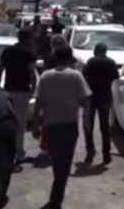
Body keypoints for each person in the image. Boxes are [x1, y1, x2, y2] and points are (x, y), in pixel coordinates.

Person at [32, 46, 91, 209]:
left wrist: (36, 125)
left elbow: (39, 103)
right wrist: (86, 122)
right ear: (69, 58)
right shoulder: (75, 76)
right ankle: (55, 201)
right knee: (63, 165)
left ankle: (55, 199)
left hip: (50, 126)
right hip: (69, 126)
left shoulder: (45, 76)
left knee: (59, 163)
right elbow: (86, 101)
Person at [0, 28, 37, 166]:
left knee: (9, 123)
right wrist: (33, 89)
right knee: (20, 124)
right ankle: (19, 153)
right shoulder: (29, 53)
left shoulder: (7, 51)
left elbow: (0, 70)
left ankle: (8, 152)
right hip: (22, 91)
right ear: (28, 38)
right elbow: (32, 73)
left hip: (8, 90)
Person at [82, 43, 119, 164]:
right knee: (105, 127)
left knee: (88, 125)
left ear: (96, 50)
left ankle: (90, 151)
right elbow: (116, 77)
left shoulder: (91, 62)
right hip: (105, 97)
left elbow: (83, 75)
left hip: (92, 97)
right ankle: (106, 154)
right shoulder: (111, 62)